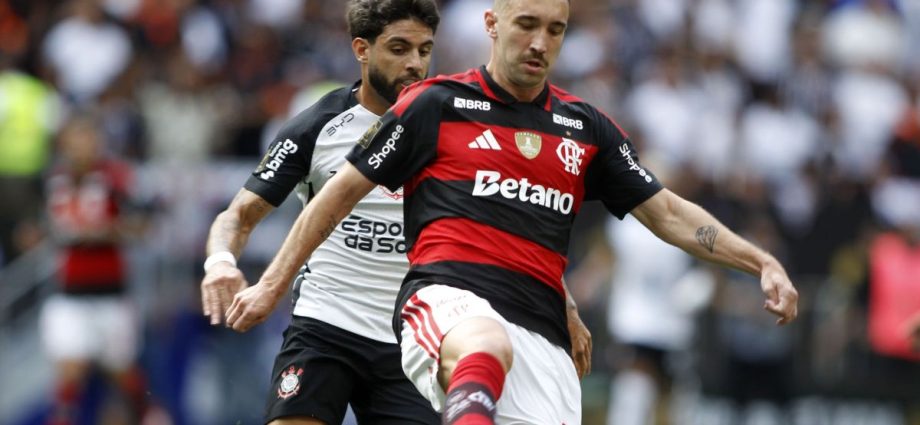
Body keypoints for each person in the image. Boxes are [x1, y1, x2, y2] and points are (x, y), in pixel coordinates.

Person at [226, 0, 799, 423]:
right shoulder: (436, 104)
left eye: (556, 30)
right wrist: (272, 284)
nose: (540, 43)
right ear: (493, 24)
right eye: (527, 24)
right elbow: (337, 194)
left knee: (504, 351)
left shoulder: (587, 128)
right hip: (445, 303)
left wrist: (760, 261)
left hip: (540, 335)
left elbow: (669, 214)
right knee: (485, 341)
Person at [201, 1, 589, 424]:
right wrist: (221, 262)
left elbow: (510, 227)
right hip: (326, 322)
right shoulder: (317, 127)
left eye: (424, 50)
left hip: (411, 336)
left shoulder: (450, 118)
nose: (415, 64)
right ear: (361, 50)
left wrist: (564, 306)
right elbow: (238, 215)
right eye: (399, 49)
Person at [40, 113, 153, 425]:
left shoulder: (116, 179)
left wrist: (108, 230)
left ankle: (153, 415)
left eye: (87, 138)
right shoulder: (53, 180)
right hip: (69, 291)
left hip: (111, 293)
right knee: (69, 373)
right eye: (75, 139)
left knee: (123, 373)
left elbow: (144, 224)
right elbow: (35, 227)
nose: (82, 146)